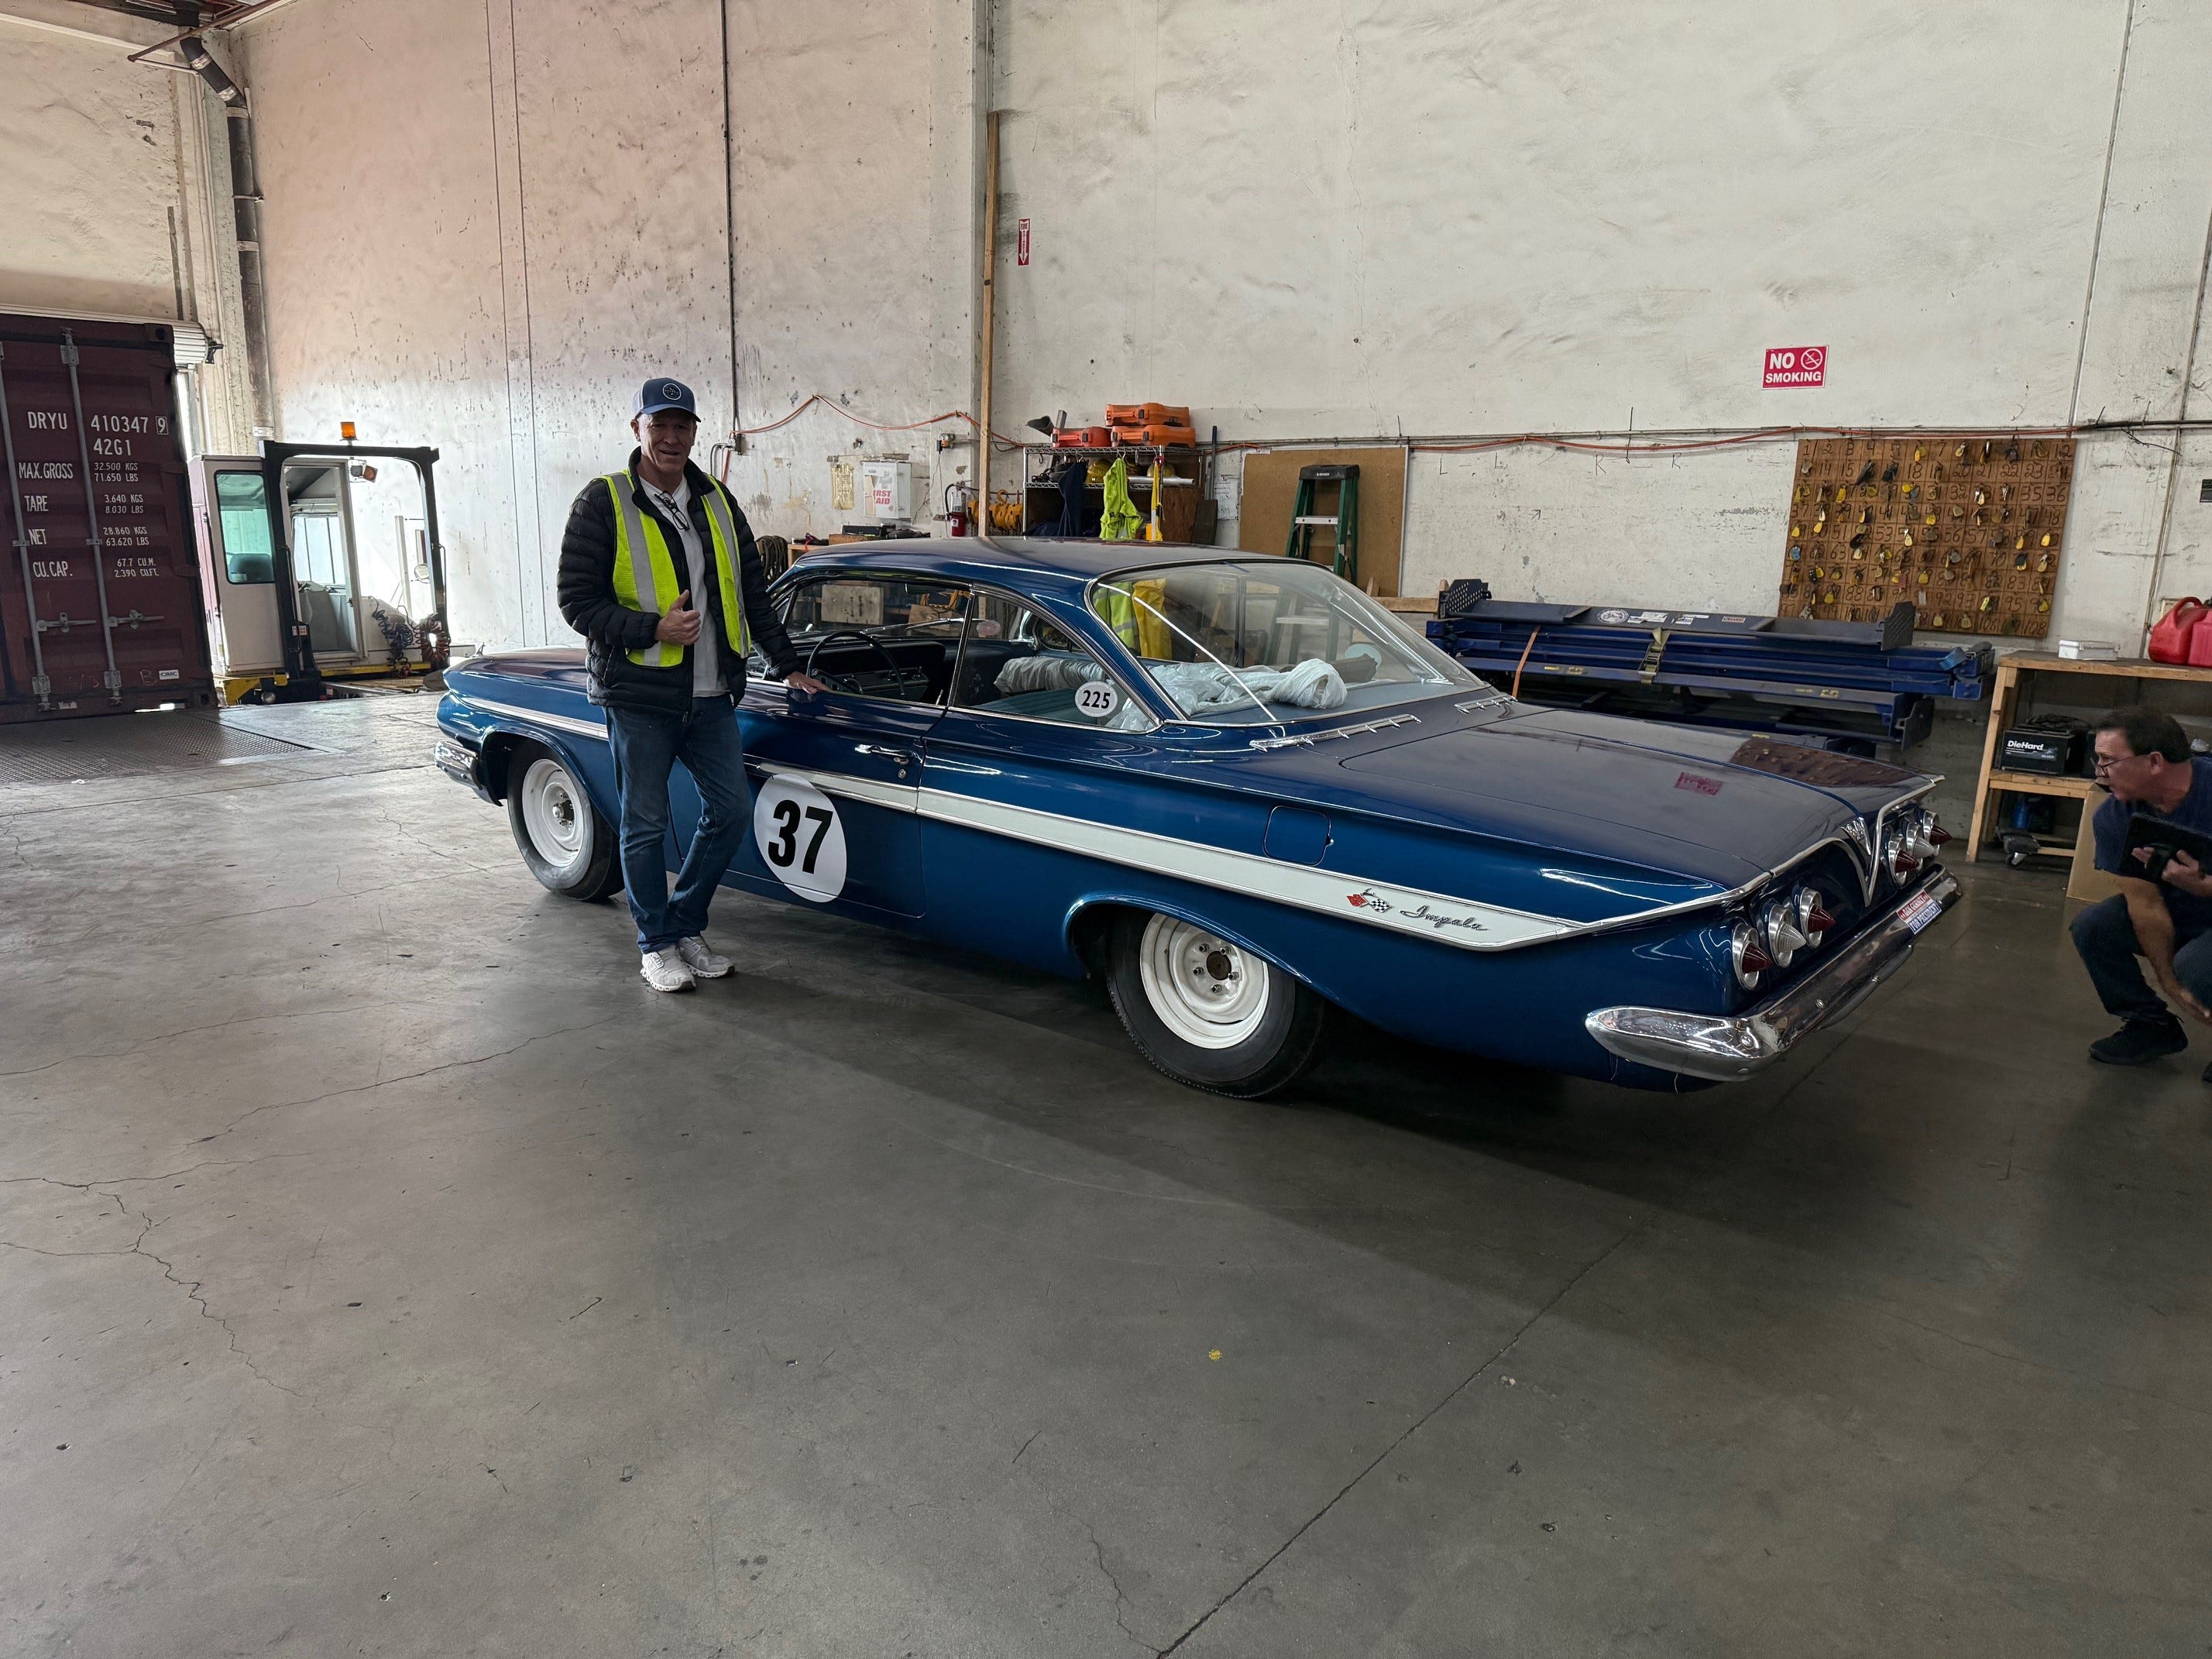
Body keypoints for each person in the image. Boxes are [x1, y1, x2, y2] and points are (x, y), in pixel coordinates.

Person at [555, 377, 827, 992]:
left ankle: (685, 924)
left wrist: (785, 664)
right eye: (660, 426)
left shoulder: (718, 502)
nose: (672, 438)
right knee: (644, 825)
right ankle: (654, 944)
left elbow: (752, 594)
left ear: (695, 433)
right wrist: (653, 629)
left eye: (683, 426)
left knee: (730, 812)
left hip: (711, 696)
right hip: (640, 697)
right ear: (638, 431)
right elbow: (577, 603)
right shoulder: (603, 502)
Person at [2069, 707, 2212, 1070]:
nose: (2099, 772)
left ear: (2154, 762)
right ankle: (2152, 1026)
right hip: (2180, 912)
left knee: (2197, 965)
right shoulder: (2115, 818)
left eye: (2108, 761)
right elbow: (2145, 905)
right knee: (2094, 927)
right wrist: (2170, 984)